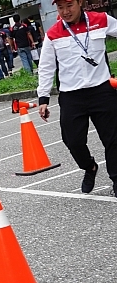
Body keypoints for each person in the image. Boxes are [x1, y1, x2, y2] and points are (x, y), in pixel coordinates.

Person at [37, 0, 117, 195]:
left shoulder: (101, 20)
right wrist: (43, 98)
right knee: (72, 141)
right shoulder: (53, 33)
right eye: (60, 7)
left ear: (80, 3)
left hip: (102, 91)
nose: (65, 11)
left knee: (113, 139)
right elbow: (46, 67)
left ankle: (116, 179)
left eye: (69, 5)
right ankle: (89, 167)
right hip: (72, 96)